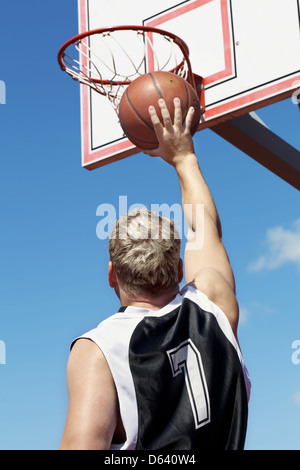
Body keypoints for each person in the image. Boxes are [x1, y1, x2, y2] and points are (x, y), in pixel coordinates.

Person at [60, 98, 251, 451]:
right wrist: (183, 157)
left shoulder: (98, 350)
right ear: (179, 269)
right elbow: (204, 230)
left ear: (111, 275)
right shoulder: (214, 302)